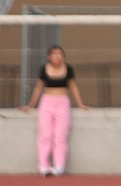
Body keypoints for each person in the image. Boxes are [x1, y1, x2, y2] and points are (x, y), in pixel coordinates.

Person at [20, 45, 89, 176]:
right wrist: (31, 104)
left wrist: (80, 103)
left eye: (60, 54)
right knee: (45, 135)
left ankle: (59, 166)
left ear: (63, 57)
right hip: (47, 102)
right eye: (54, 54)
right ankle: (43, 165)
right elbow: (38, 87)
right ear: (49, 57)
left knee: (60, 136)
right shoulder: (44, 69)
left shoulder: (68, 69)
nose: (57, 56)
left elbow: (73, 86)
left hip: (62, 102)